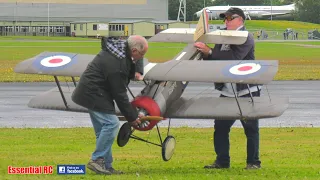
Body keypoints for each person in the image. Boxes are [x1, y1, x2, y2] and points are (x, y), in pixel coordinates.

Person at [194, 7, 262, 170]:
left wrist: (209, 51)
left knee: (250, 128)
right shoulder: (222, 36)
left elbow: (233, 59)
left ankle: (253, 162)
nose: (226, 21)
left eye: (230, 18)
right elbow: (215, 61)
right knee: (220, 127)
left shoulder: (246, 37)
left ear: (240, 20)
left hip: (246, 90)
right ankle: (222, 162)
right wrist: (204, 53)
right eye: (225, 19)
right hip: (227, 90)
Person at [71, 35, 148, 175]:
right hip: (93, 93)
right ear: (135, 50)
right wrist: (132, 116)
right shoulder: (117, 64)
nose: (142, 57)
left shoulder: (121, 49)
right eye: (142, 54)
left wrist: (138, 70)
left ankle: (106, 165)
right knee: (111, 124)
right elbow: (119, 94)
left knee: (103, 130)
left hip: (95, 92)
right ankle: (97, 160)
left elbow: (136, 57)